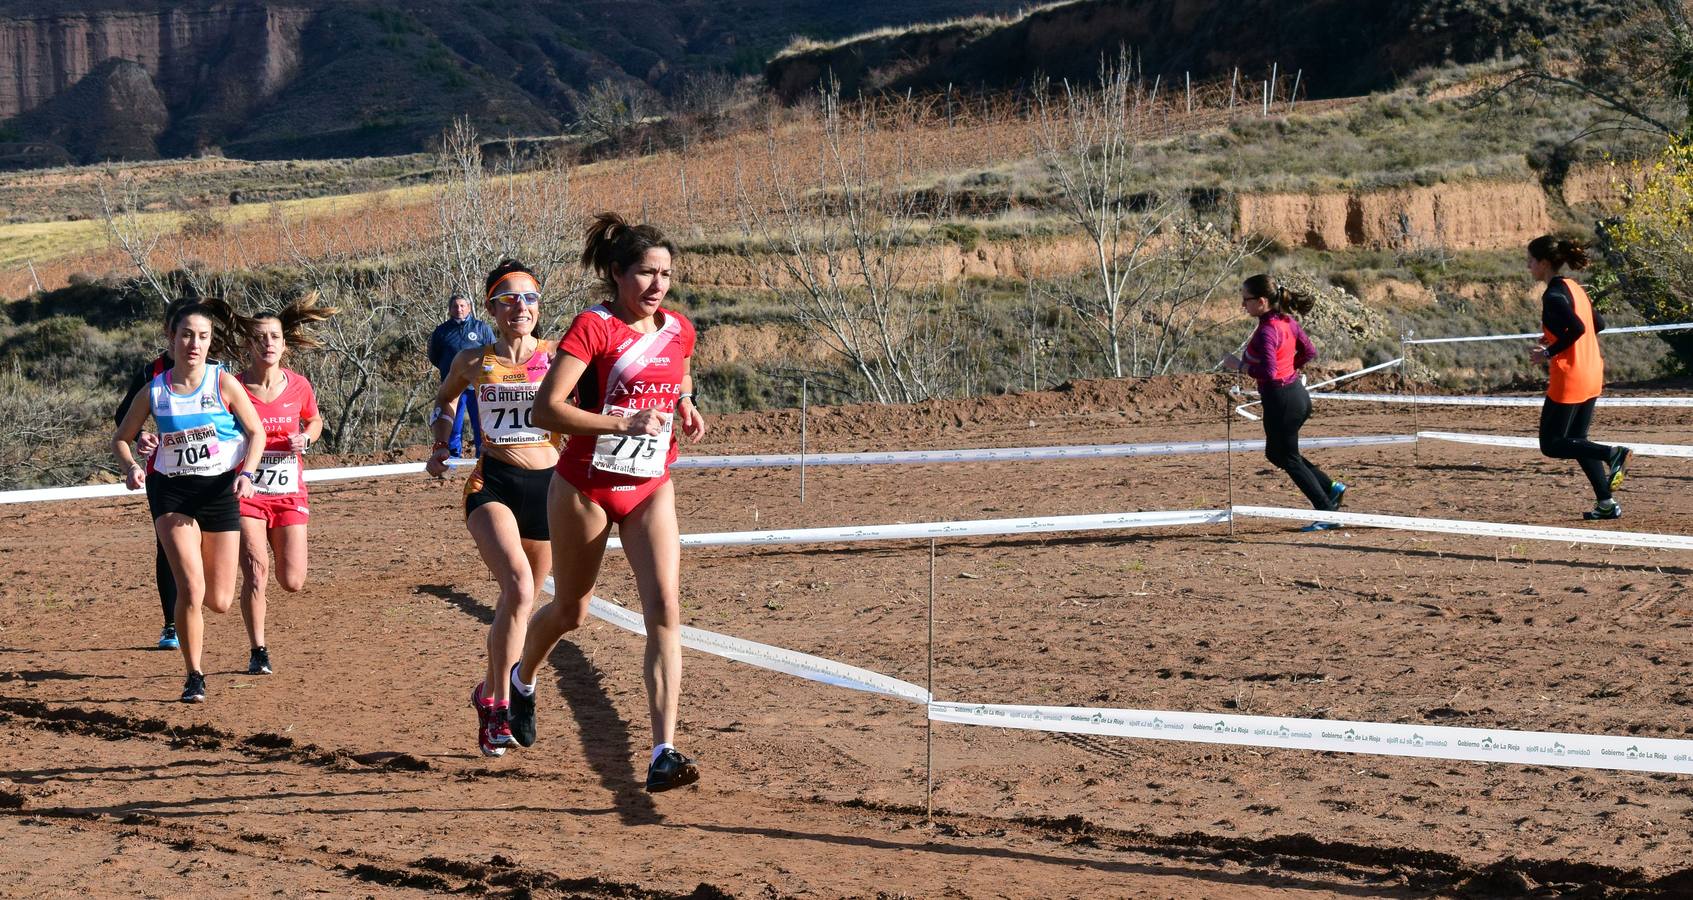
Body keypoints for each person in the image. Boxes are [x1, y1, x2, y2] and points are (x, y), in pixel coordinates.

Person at [507, 213, 707, 792]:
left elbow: (678, 379)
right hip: (584, 487)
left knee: (665, 608)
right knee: (571, 611)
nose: (658, 285)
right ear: (617, 273)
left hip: (650, 486)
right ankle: (522, 678)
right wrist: (624, 420)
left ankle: (663, 751)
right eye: (646, 273)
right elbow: (546, 410)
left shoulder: (679, 329)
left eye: (666, 274)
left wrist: (686, 406)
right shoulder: (593, 328)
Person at [427, 260, 560, 758]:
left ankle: (491, 689)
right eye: (509, 299)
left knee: (520, 607)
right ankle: (499, 709)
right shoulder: (472, 360)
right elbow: (444, 403)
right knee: (519, 586)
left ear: (538, 307)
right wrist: (442, 443)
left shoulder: (558, 356)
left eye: (529, 298)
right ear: (492, 309)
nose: (520, 307)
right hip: (493, 484)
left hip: (549, 489)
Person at [113, 301, 267, 703]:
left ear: (210, 341)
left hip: (219, 491)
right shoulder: (155, 390)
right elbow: (121, 437)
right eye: (186, 335)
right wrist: (131, 465)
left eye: (202, 336)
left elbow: (257, 433)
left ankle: (195, 656)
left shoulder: (223, 383)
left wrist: (247, 475)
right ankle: (194, 675)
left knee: (219, 600)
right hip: (172, 492)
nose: (193, 344)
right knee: (191, 588)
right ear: (171, 338)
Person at [237, 293, 336, 676]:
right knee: (255, 569)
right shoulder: (234, 387)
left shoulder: (298, 386)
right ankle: (258, 649)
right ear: (250, 344)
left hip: (289, 491)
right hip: (248, 491)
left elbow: (315, 421)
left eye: (274, 337)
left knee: (292, 580)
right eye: (260, 337)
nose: (268, 344)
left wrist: (306, 439)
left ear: (283, 343)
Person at [1223, 274, 1345, 532]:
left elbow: (1267, 372)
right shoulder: (1287, 322)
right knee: (1277, 453)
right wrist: (1288, 369)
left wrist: (1238, 365)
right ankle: (1330, 487)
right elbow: (1309, 351)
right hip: (1296, 395)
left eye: (1246, 300)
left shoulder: (1267, 331)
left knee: (1287, 457)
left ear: (1262, 301)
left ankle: (1327, 512)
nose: (1242, 305)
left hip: (1281, 400)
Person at [1527, 235, 1632, 520]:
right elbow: (1597, 323)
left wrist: (1548, 353)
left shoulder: (1552, 295)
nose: (1528, 266)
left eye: (1531, 261)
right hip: (1591, 371)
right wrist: (1554, 336)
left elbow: (1576, 328)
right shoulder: (1574, 288)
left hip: (1570, 377)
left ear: (1545, 263)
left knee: (1551, 444)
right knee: (1576, 440)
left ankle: (1613, 453)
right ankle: (1607, 504)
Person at [428, 289, 495, 457]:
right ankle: (451, 458)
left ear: (469, 308)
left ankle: (483, 458)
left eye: (462, 306)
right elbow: (434, 356)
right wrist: (450, 371)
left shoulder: (482, 329)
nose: (459, 309)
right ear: (450, 309)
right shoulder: (441, 331)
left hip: (477, 386)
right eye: (455, 306)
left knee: (480, 424)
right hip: (454, 386)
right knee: (453, 425)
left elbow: (494, 354)